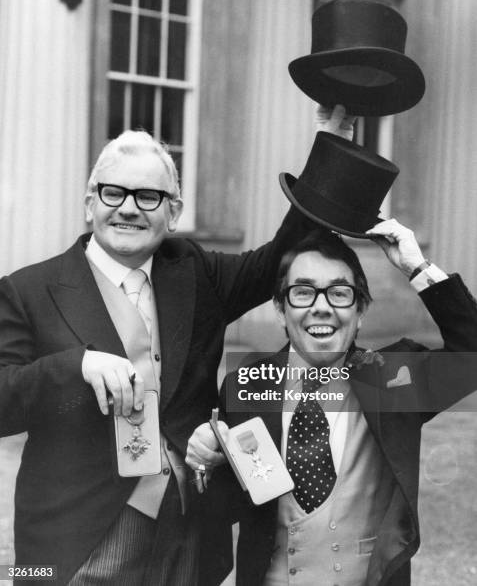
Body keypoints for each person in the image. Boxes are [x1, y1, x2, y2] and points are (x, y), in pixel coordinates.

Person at [0, 108, 351, 585]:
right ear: (89, 203)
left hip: (187, 527)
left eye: (148, 196)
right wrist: (73, 367)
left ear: (174, 211)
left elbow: (281, 255)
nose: (127, 208)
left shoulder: (195, 272)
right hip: (78, 540)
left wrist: (330, 148)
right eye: (113, 192)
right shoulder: (28, 289)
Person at [186, 220, 477, 586]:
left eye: (339, 293)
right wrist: (206, 461)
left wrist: (415, 267)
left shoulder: (392, 380)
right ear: (280, 309)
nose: (321, 308)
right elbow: (228, 503)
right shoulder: (245, 386)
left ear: (360, 312)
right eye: (303, 293)